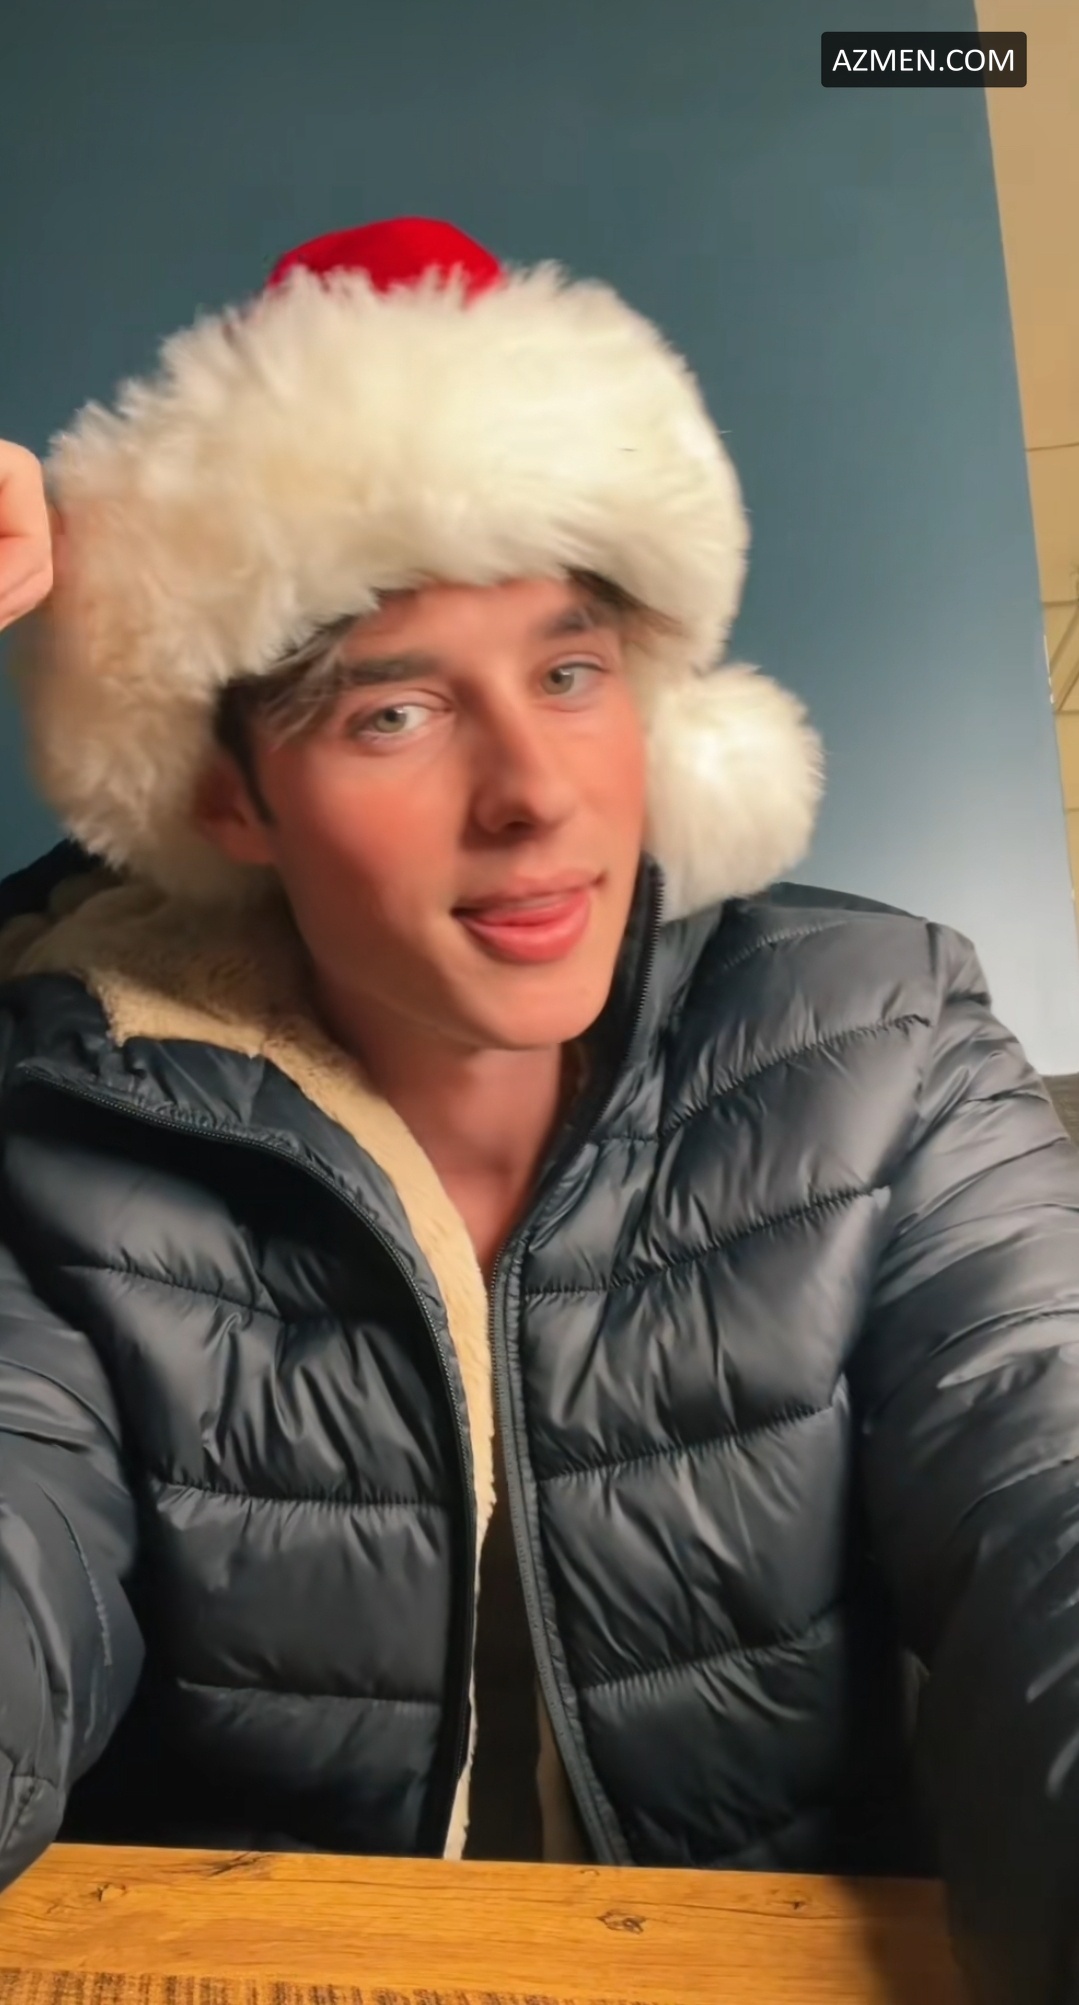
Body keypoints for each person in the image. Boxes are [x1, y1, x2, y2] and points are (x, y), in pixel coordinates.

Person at [0, 216, 1076, 2005]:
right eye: (396, 710)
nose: (534, 793)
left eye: (570, 674)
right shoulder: (57, 1122)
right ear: (231, 800)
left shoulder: (881, 1039)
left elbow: (1050, 1488)